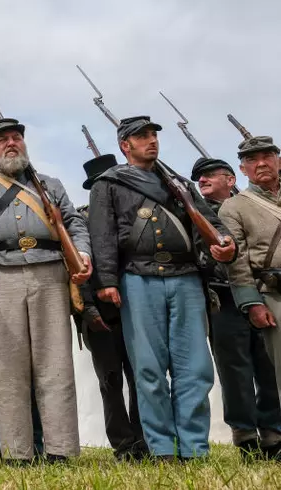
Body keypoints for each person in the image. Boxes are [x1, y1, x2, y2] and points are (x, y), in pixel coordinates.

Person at [87, 116, 236, 461]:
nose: (151, 140)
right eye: (142, 136)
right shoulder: (108, 184)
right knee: (149, 370)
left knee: (195, 368)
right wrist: (107, 282)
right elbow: (102, 237)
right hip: (137, 279)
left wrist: (225, 243)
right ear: (125, 145)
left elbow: (209, 223)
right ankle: (162, 448)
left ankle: (195, 448)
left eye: (153, 134)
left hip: (185, 276)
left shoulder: (180, 184)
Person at [0, 118, 91, 463]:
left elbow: (74, 222)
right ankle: (17, 452)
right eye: (2, 140)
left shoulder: (50, 183)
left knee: (55, 365)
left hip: (50, 273)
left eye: (16, 137)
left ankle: (61, 450)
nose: (11, 144)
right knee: (7, 371)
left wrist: (83, 254)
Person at [193, 156, 281, 459]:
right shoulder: (197, 213)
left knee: (269, 366)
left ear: (231, 180)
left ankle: (273, 433)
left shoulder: (252, 205)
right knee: (234, 371)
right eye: (199, 178)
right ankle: (244, 434)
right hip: (224, 299)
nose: (202, 180)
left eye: (209, 176)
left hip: (262, 292)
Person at [78, 155, 147, 461]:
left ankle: (144, 438)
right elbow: (76, 268)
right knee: (110, 381)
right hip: (100, 316)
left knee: (141, 377)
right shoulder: (80, 222)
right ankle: (123, 444)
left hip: (136, 310)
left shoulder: (133, 219)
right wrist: (87, 309)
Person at [219, 136, 281, 456]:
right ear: (242, 168)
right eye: (252, 160)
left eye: (267, 156)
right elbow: (237, 261)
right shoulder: (234, 206)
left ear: (278, 160)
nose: (261, 164)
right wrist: (251, 302)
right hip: (272, 294)